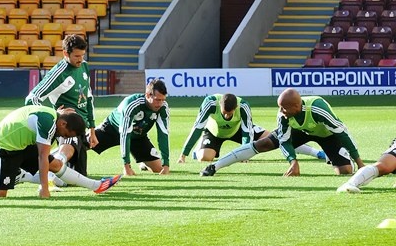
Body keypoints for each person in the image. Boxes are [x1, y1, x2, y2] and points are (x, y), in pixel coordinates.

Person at [0, 105, 121, 199]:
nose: (64, 137)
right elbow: (42, 157)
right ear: (63, 124)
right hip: (4, 147)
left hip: (22, 144)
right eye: (67, 134)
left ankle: (96, 186)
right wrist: (44, 188)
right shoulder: (48, 125)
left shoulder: (56, 118)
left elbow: (45, 159)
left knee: (56, 164)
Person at [200, 88, 364, 177]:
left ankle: (342, 156)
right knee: (263, 144)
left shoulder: (317, 108)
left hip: (328, 135)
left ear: (296, 107)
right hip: (299, 131)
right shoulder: (283, 115)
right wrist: (293, 161)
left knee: (345, 171)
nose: (281, 111)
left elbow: (342, 133)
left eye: (284, 108)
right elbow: (284, 141)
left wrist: (361, 164)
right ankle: (215, 166)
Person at [178, 93, 326, 164]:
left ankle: (317, 153)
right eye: (224, 113)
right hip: (214, 132)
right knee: (205, 158)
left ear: (235, 108)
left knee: (278, 137)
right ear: (220, 107)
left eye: (230, 113)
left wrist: (244, 154)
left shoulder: (243, 106)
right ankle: (197, 152)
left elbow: (247, 130)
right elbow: (197, 127)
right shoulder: (209, 103)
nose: (227, 116)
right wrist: (183, 154)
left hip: (238, 130)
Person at [25, 34, 95, 175]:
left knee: (77, 176)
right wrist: (53, 116)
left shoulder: (84, 67)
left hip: (81, 128)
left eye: (82, 55)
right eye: (76, 56)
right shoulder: (59, 73)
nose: (80, 59)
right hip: (66, 127)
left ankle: (43, 164)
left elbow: (88, 98)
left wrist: (92, 128)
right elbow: (32, 98)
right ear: (65, 53)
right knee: (63, 167)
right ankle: (48, 173)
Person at [90, 79, 171, 176]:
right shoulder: (132, 104)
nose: (160, 104)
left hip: (138, 137)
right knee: (83, 142)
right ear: (148, 95)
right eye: (157, 100)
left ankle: (142, 161)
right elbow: (125, 134)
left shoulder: (163, 108)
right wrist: (126, 166)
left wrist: (166, 165)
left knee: (159, 168)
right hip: (112, 129)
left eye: (163, 100)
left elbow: (163, 133)